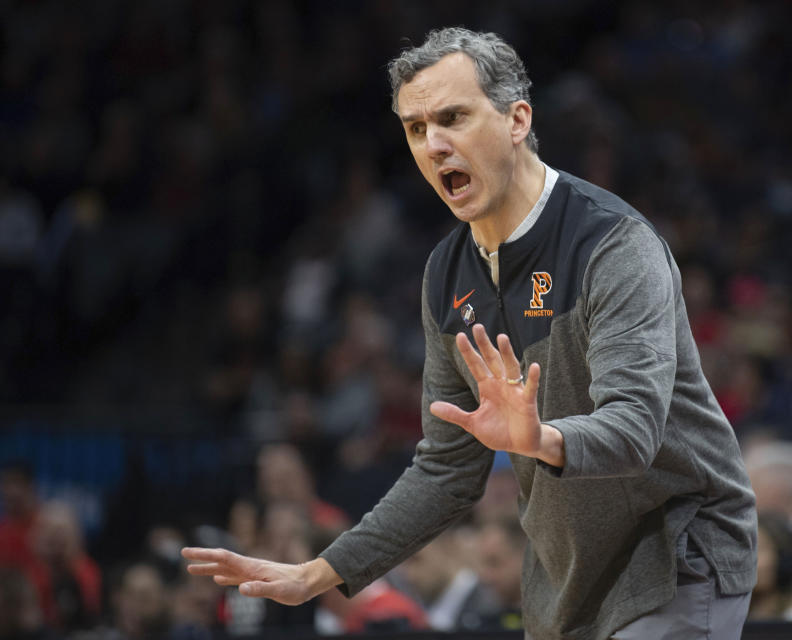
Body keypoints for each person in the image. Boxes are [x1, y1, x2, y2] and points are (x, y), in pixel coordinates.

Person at [183, 27, 757, 639]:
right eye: (415, 128)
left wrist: (539, 436)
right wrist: (320, 574)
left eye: (453, 117)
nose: (434, 145)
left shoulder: (613, 245)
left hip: (679, 548)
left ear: (516, 120)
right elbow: (446, 471)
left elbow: (634, 427)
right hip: (569, 573)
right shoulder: (446, 275)